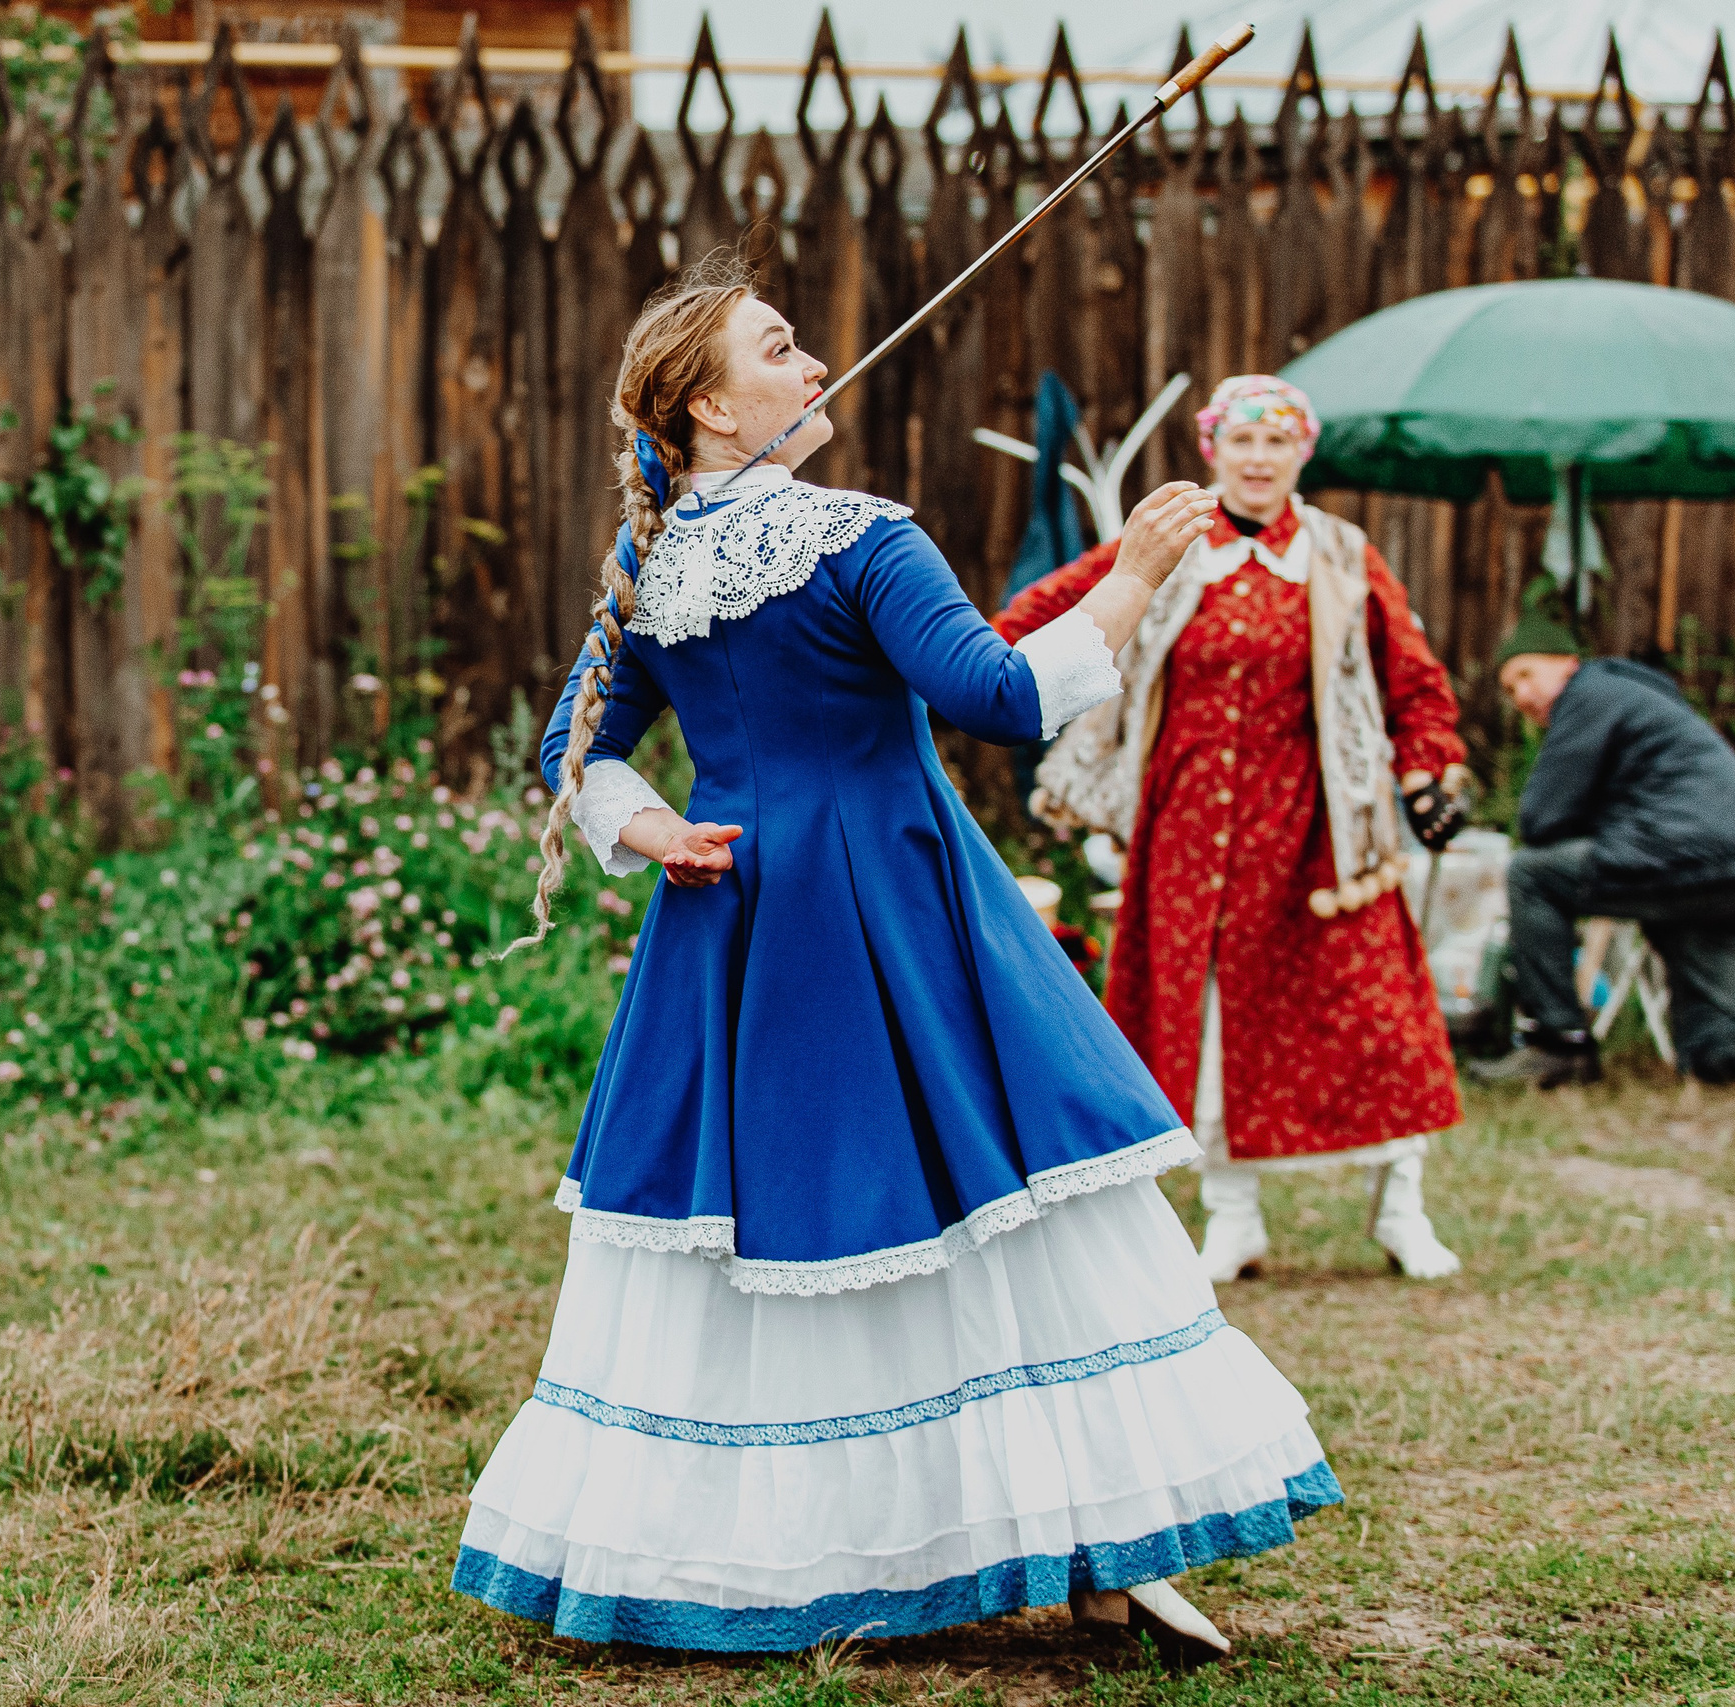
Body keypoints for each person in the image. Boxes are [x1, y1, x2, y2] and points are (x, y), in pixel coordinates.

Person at [451, 268, 1341, 1658]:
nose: (816, 366)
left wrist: (654, 824)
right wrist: (1137, 579)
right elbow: (994, 695)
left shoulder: (657, 562)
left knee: (835, 1223)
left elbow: (577, 750)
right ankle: (1082, 1535)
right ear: (705, 403)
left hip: (741, 921)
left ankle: (1079, 1537)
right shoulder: (857, 535)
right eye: (780, 347)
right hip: (890, 913)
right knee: (995, 1205)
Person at [994, 376, 1470, 1286]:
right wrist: (946, 662)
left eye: (1277, 442)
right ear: (1213, 451)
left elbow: (1412, 679)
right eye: (1241, 442)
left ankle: (1402, 1206)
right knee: (1208, 1022)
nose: (1258, 459)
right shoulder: (1170, 544)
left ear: (1302, 454)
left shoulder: (1341, 552)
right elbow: (1028, 618)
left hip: (1320, 831)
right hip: (1191, 838)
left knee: (1375, 1014)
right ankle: (1235, 1216)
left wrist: (1426, 765)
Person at [1472, 617, 1735, 1104]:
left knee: (1533, 874)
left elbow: (1540, 819)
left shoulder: (1589, 693)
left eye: (1525, 675)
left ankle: (1559, 1044)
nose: (1519, 695)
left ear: (1568, 663)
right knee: (1707, 1047)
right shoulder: (1659, 709)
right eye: (1508, 688)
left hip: (1687, 858)